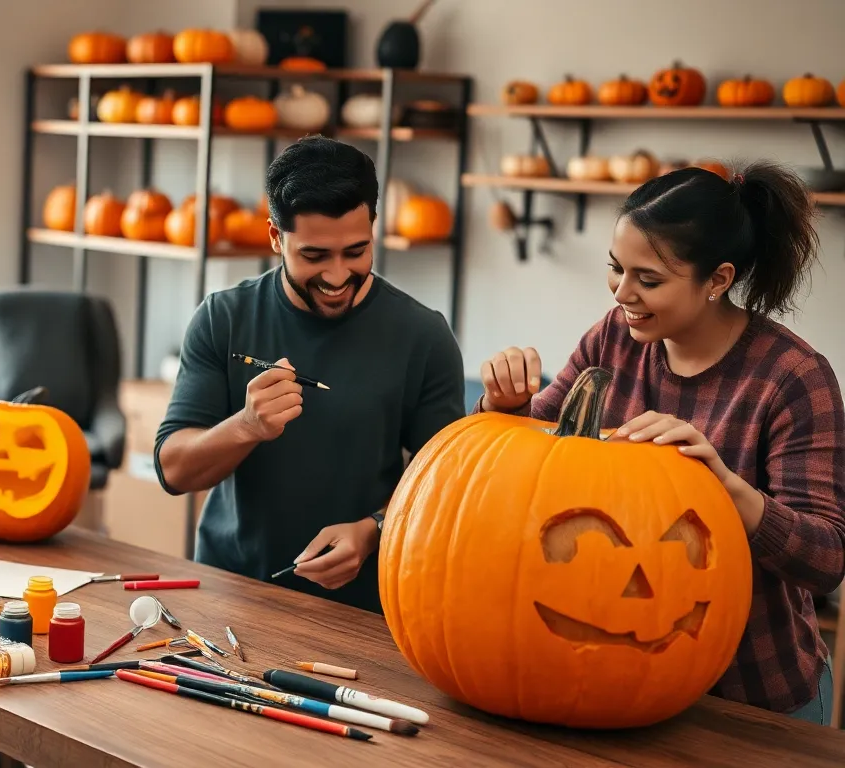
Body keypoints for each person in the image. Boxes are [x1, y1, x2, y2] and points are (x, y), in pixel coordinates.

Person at [478, 161, 844, 725]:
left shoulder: (793, 378)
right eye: (615, 269)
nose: (623, 293)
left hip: (752, 701)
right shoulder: (613, 339)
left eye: (648, 280)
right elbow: (539, 449)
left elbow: (826, 560)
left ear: (718, 280)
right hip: (620, 682)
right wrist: (504, 408)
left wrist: (726, 486)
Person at [153, 136, 466, 614]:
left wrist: (375, 530)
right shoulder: (224, 318)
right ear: (276, 238)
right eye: (315, 256)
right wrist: (246, 427)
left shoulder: (423, 336)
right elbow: (173, 470)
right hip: (232, 592)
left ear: (374, 228)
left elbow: (447, 488)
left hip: (364, 609)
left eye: (356, 252)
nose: (338, 276)